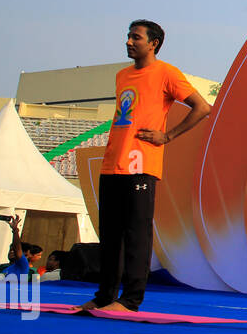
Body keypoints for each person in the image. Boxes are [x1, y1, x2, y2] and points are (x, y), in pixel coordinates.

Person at [76, 20, 211, 313]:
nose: (128, 41)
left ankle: (131, 299)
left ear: (154, 43)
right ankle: (104, 296)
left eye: (135, 37)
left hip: (141, 163)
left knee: (136, 234)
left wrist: (168, 135)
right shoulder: (122, 75)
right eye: (127, 36)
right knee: (110, 234)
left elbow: (202, 107)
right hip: (113, 163)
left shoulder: (166, 73)